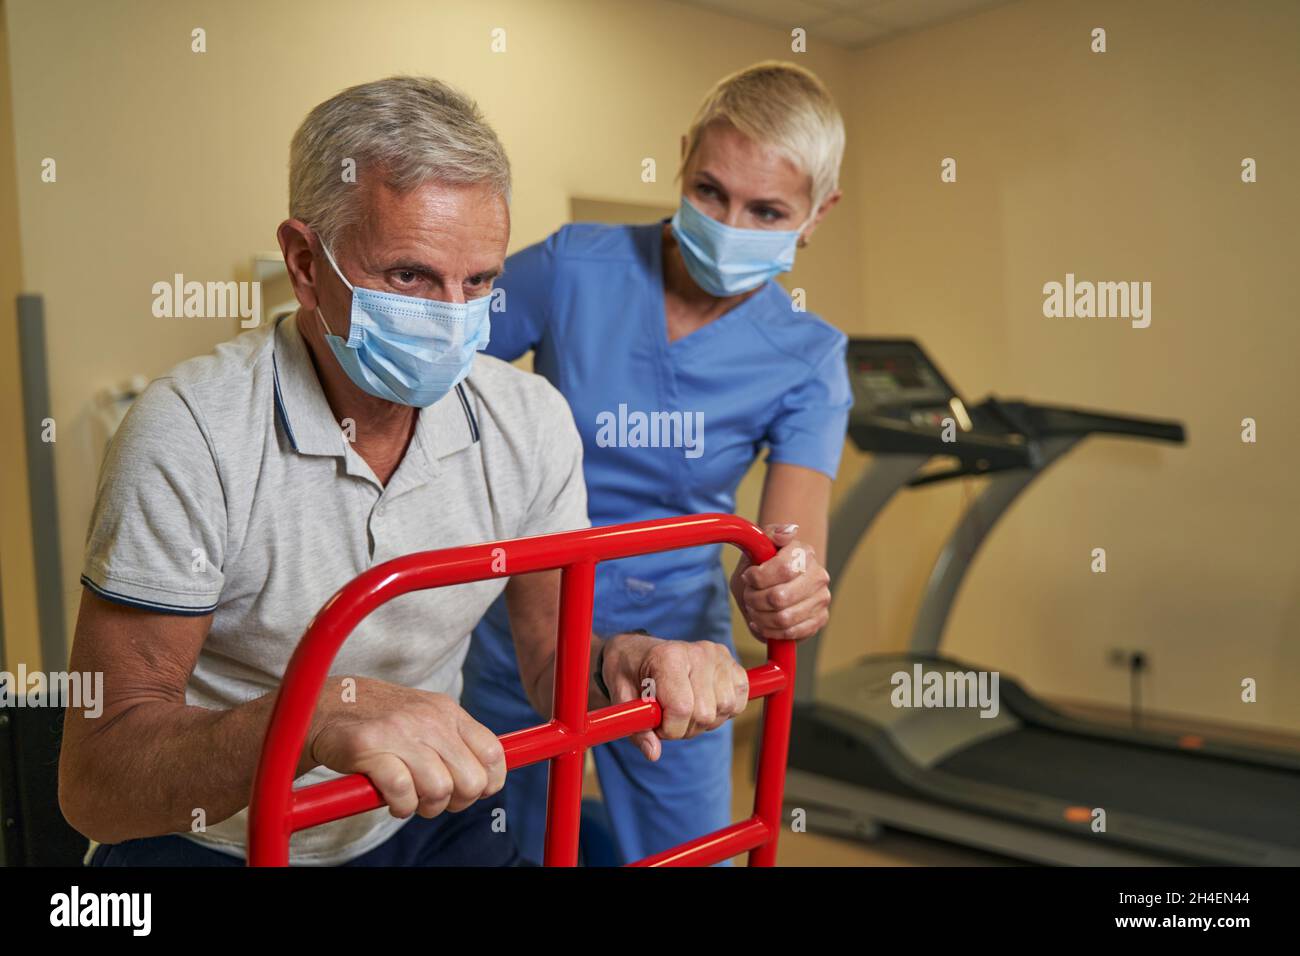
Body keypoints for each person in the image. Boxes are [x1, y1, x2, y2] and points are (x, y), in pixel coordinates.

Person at [58, 76, 777, 867]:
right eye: (409, 277)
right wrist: (321, 714)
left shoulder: (528, 423)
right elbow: (98, 781)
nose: (451, 319)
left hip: (426, 821)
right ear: (304, 261)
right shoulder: (192, 432)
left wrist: (628, 663)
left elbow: (549, 664)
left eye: (479, 283)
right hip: (219, 834)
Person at [461, 61, 851, 864]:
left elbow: (793, 542)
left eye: (767, 209)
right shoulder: (574, 266)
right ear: (682, 161)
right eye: (711, 192)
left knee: (691, 853)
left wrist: (789, 589)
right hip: (520, 620)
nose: (731, 223)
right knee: (491, 847)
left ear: (816, 216)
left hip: (675, 650)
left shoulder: (809, 357)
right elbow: (435, 377)